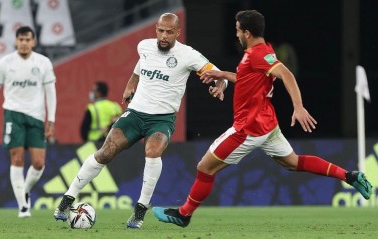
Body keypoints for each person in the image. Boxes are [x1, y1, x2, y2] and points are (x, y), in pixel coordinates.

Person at [152, 10, 373, 227]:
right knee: (293, 162)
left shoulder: (257, 54)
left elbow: (286, 74)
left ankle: (184, 214)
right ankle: (350, 176)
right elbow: (248, 79)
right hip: (267, 124)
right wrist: (222, 75)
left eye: (238, 30)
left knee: (205, 168)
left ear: (247, 32)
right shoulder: (263, 51)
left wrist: (298, 107)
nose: (236, 34)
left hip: (247, 128)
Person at [53, 13, 227, 228]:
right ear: (156, 29)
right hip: (135, 114)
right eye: (161, 31)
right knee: (106, 151)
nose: (164, 36)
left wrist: (221, 85)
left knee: (153, 152)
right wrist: (129, 85)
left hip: (162, 119)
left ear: (178, 32)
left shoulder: (188, 55)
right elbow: (140, 67)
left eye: (169, 32)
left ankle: (139, 212)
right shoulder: (144, 46)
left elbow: (216, 72)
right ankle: (66, 200)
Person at [0, 26, 57, 218]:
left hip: (36, 117)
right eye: (21, 40)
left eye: (27, 40)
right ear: (16, 41)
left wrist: (51, 120)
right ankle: (23, 207)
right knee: (17, 159)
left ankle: (24, 190)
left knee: (39, 163)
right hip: (13, 115)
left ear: (33, 42)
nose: (24, 43)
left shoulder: (43, 62)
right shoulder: (5, 62)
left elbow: (51, 92)